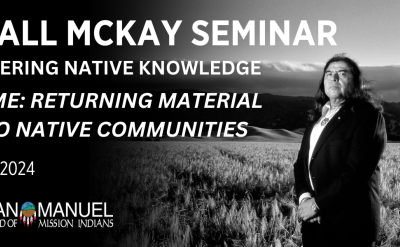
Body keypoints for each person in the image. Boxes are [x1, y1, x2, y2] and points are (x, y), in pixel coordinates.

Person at [294, 54, 387, 247]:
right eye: (328, 74)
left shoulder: (367, 117)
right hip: (315, 222)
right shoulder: (316, 121)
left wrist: (316, 205)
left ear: (356, 82)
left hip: (349, 225)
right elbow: (300, 164)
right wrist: (305, 199)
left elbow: (356, 173)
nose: (333, 78)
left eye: (342, 73)